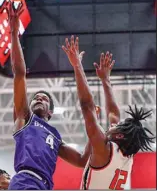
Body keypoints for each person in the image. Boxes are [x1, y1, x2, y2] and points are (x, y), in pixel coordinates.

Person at [8, 2, 92, 190]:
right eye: (35, 97)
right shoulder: (24, 117)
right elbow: (19, 73)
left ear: (50, 112)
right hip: (25, 180)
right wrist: (14, 34)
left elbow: (81, 160)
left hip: (45, 186)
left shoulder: (55, 136)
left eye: (44, 98)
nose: (38, 98)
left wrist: (93, 127)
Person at [62, 35, 155, 190]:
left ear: (119, 135)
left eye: (119, 125)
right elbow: (113, 114)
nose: (116, 123)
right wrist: (105, 80)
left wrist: (77, 66)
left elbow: (87, 106)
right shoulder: (126, 154)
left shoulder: (104, 150)